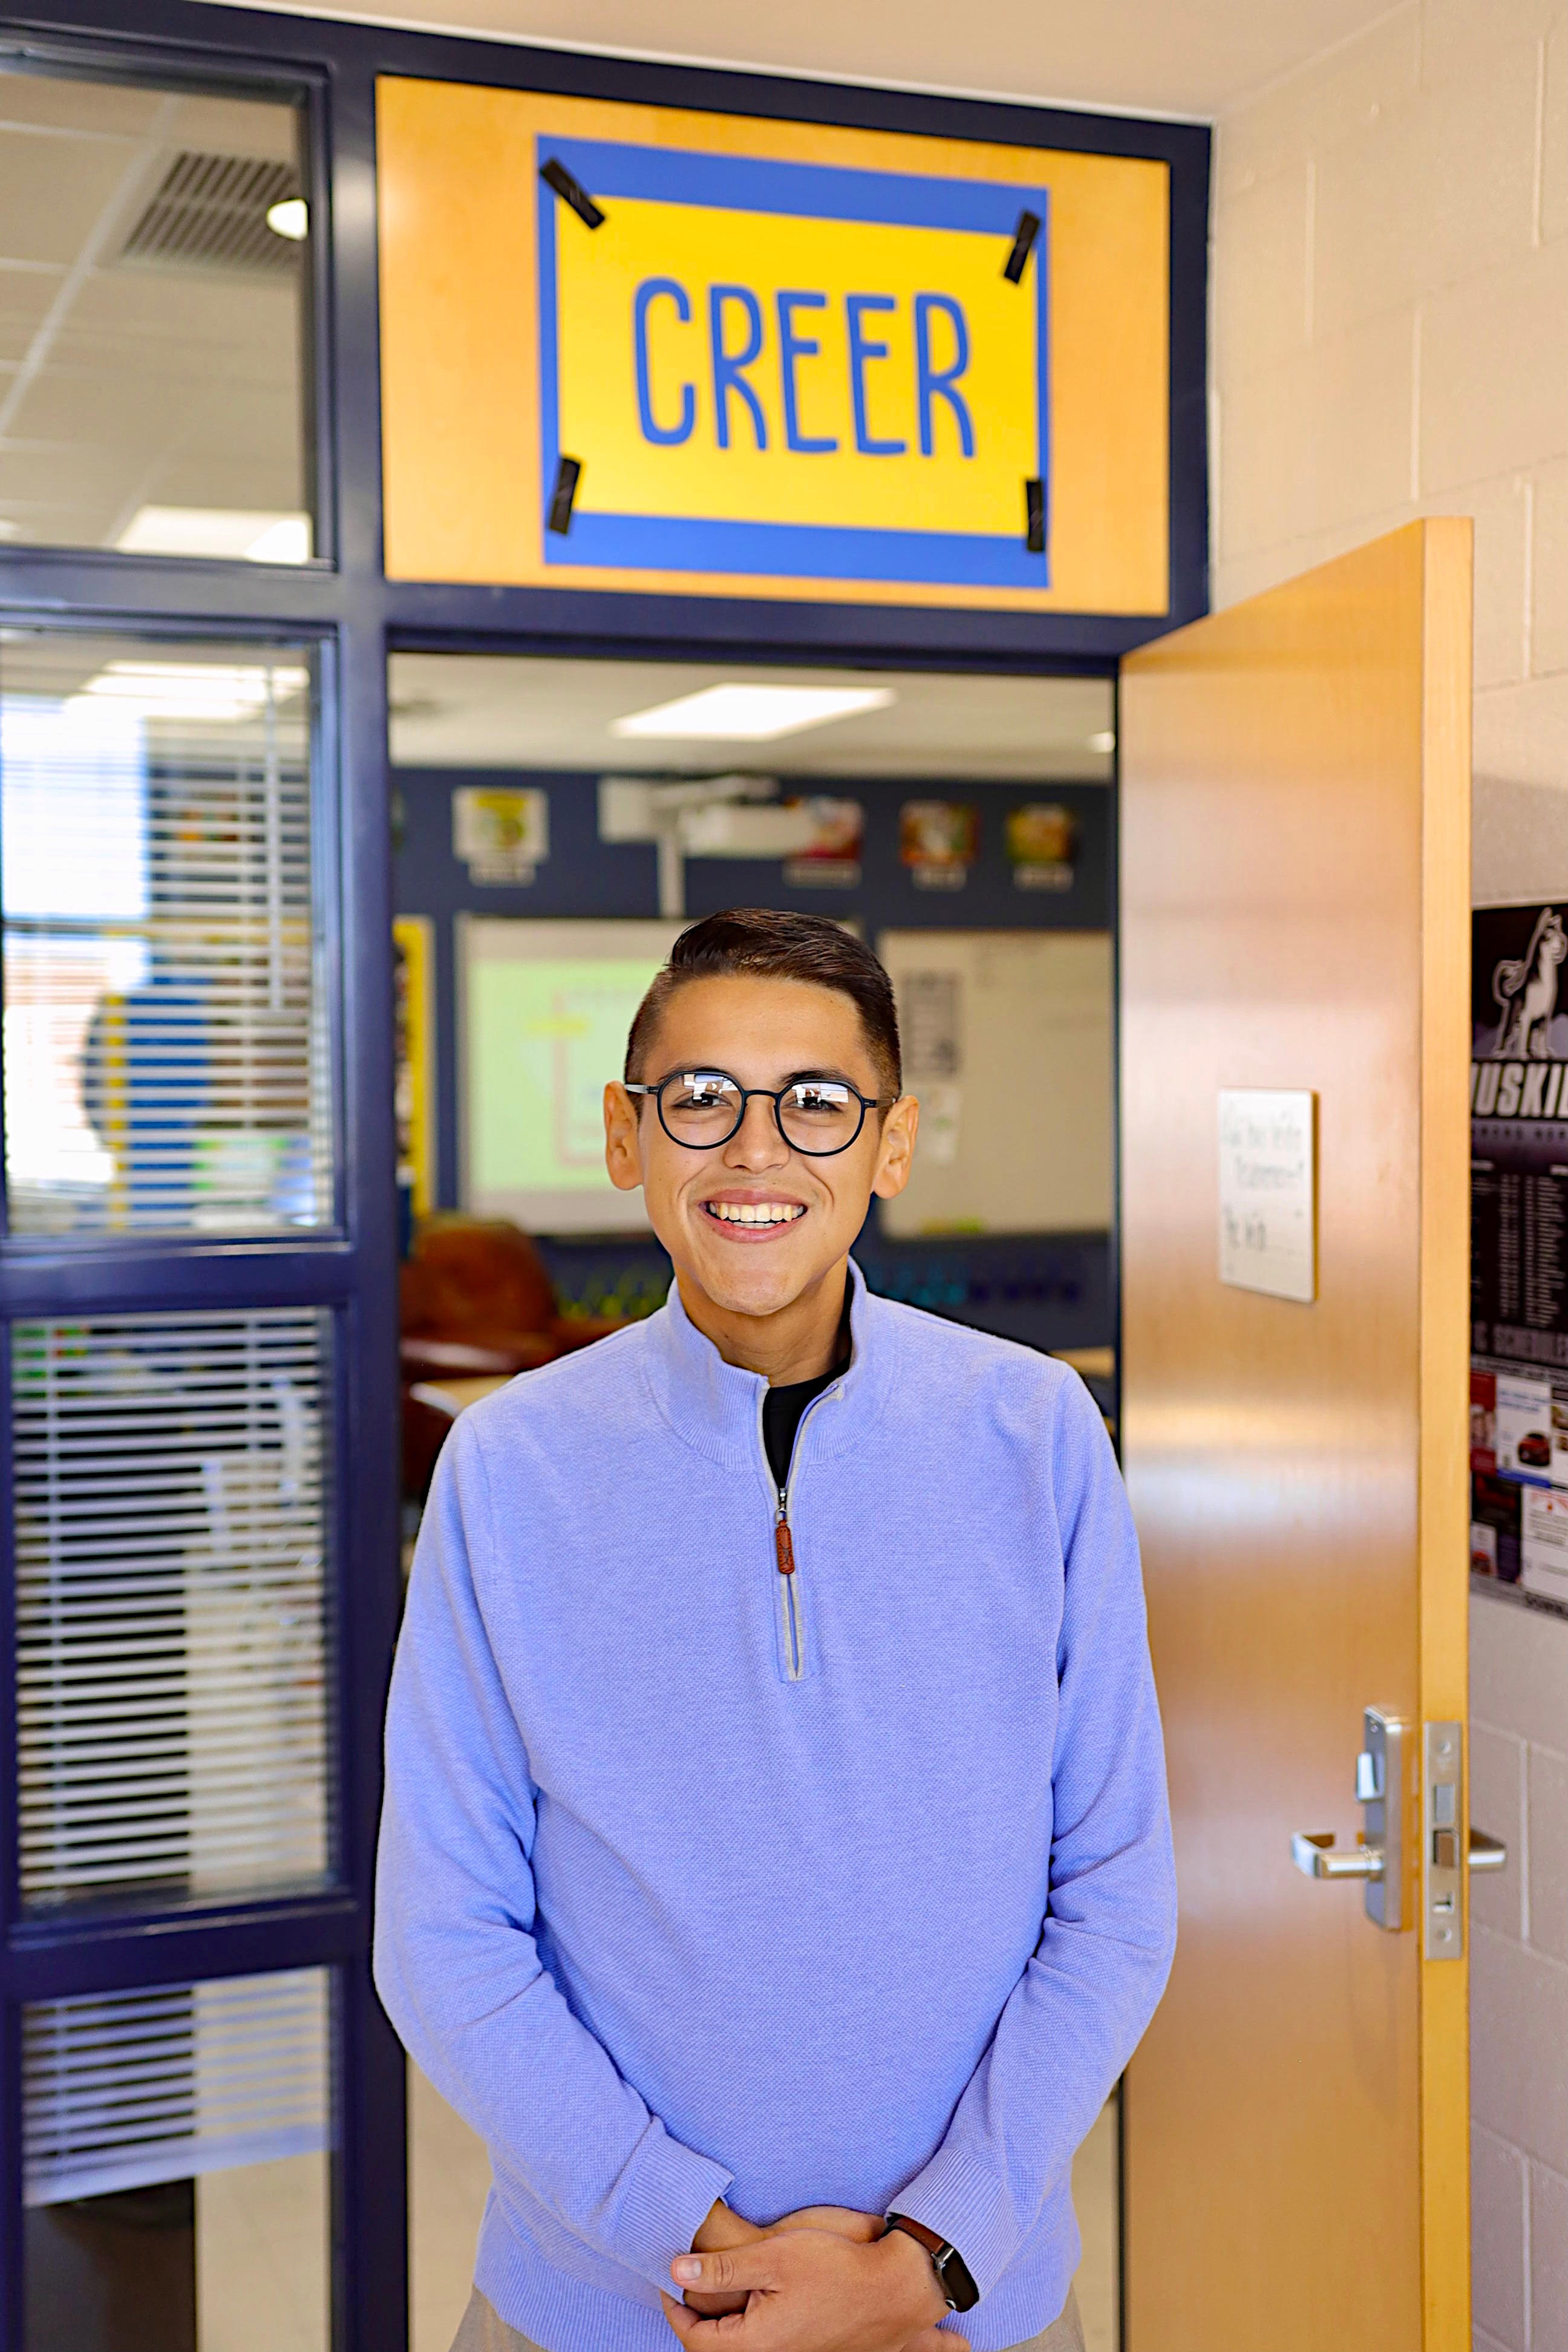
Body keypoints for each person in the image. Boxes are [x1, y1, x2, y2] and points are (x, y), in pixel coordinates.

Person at [374, 908, 1176, 2352]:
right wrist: (690, 2241)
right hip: (607, 2308)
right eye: (701, 1101)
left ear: (891, 1142)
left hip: (965, 2310)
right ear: (627, 1137)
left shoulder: (1035, 1433)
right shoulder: (512, 1469)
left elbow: (1113, 1892)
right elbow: (443, 1934)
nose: (756, 1152)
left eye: (817, 1105)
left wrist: (928, 2253)